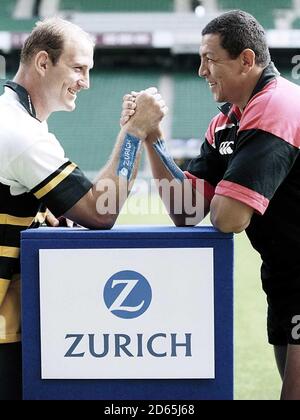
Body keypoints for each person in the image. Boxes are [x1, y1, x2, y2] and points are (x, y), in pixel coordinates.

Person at [122, 10, 300, 400]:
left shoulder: (279, 105)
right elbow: (186, 211)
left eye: (210, 58)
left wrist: (222, 195)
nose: (201, 70)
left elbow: (229, 217)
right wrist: (152, 138)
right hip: (284, 278)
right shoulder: (224, 124)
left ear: (247, 60)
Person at [0, 17, 167, 400]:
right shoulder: (21, 133)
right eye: (78, 68)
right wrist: (133, 134)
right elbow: (100, 211)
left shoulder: (20, 123)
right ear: (43, 63)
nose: (86, 82)